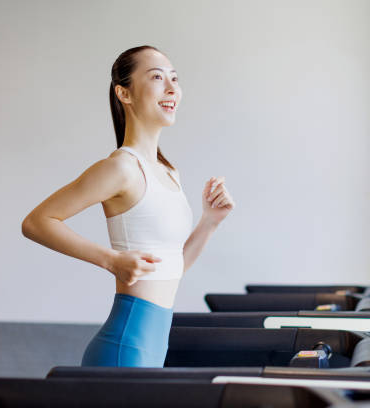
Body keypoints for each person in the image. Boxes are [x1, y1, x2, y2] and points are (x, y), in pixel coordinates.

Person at [21, 45, 235, 367]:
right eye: (157, 77)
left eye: (175, 79)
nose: (172, 88)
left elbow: (170, 269)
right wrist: (111, 260)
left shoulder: (168, 172)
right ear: (125, 93)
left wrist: (210, 221)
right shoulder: (121, 168)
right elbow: (37, 221)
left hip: (150, 349)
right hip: (124, 351)